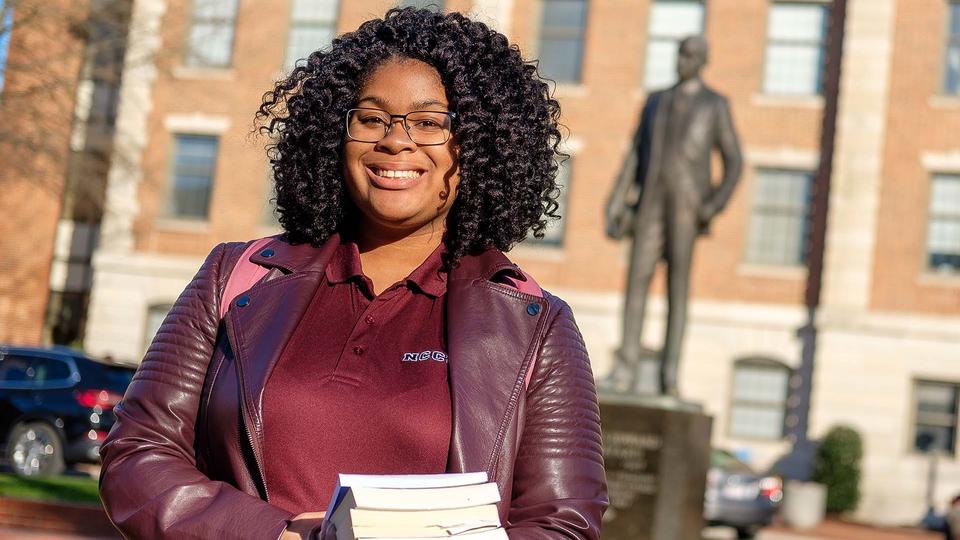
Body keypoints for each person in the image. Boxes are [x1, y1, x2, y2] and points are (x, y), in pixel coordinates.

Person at [98, 8, 607, 540]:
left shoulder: (535, 325)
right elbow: (137, 454)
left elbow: (562, 524)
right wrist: (275, 536)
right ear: (334, 135)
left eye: (431, 123)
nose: (395, 141)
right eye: (371, 118)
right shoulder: (238, 276)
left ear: (480, 146)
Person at [603, 36, 742, 396]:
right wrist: (617, 201)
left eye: (690, 56)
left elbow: (735, 162)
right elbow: (635, 154)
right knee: (636, 285)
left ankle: (669, 376)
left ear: (703, 61)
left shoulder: (715, 105)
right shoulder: (656, 101)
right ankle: (626, 369)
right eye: (680, 54)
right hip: (649, 207)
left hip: (685, 212)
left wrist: (710, 207)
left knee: (678, 291)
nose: (682, 61)